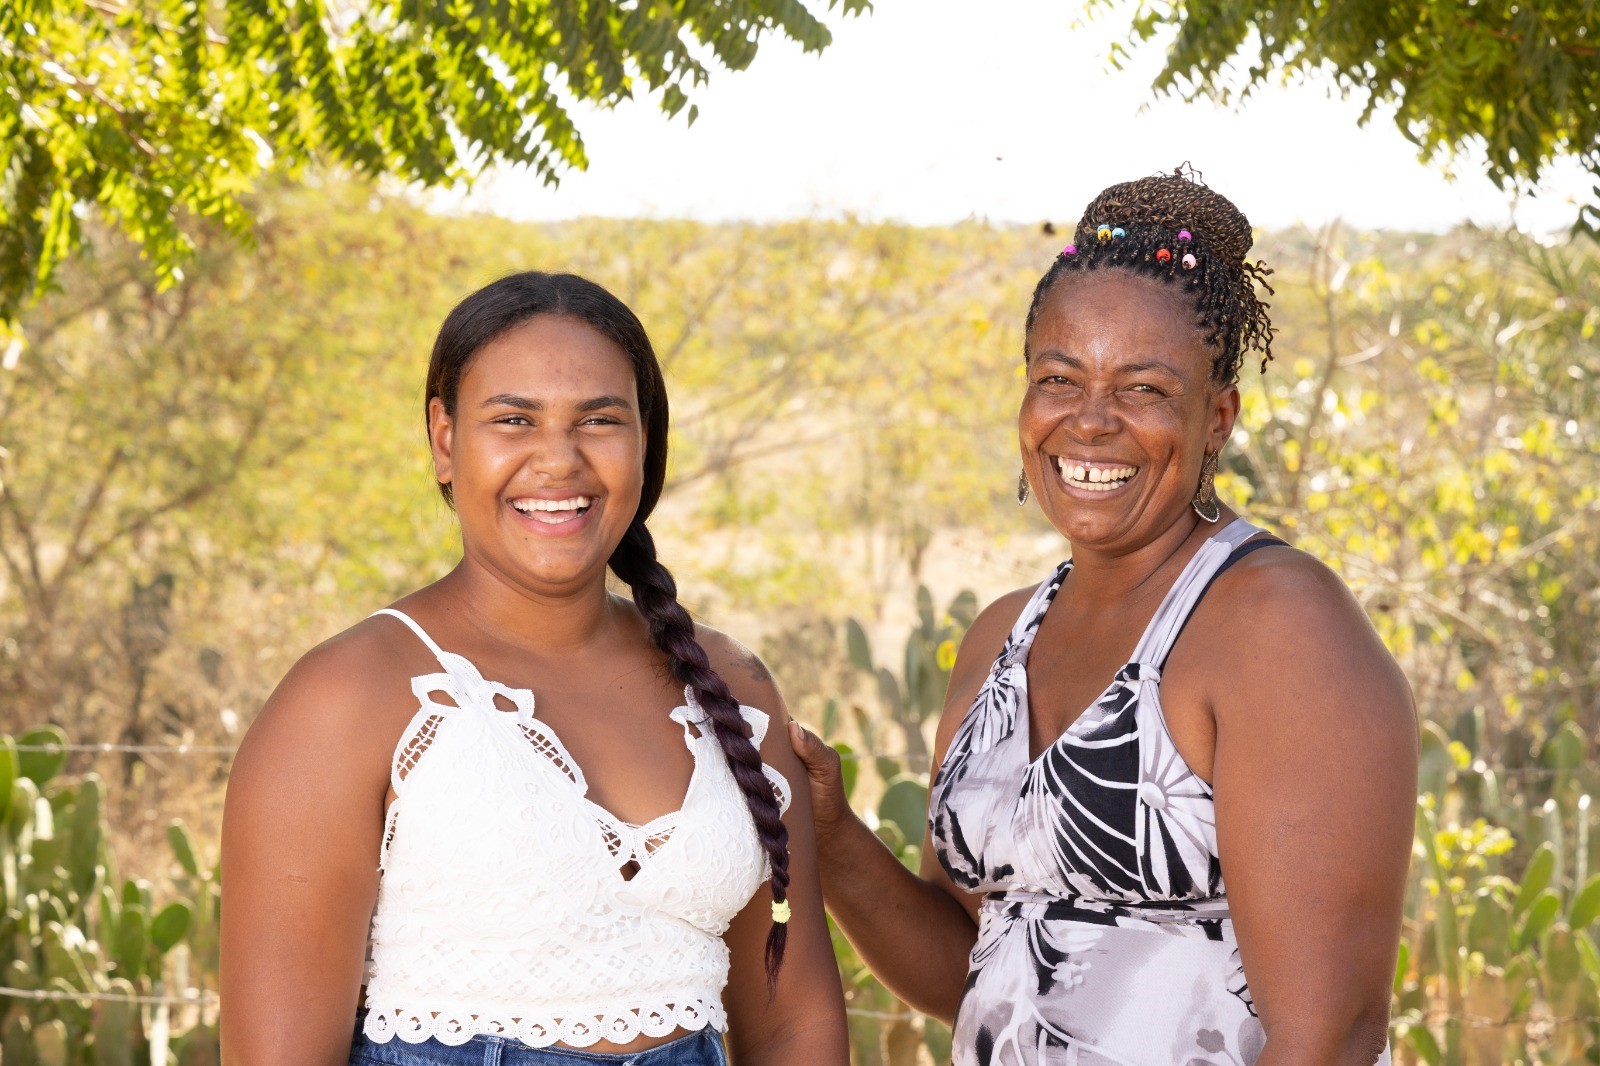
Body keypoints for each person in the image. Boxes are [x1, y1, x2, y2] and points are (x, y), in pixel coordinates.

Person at [789, 170, 1418, 1066]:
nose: (1089, 422)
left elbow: (1330, 1034)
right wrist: (834, 834)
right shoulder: (1000, 638)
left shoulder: (1275, 624)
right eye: (1059, 378)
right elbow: (980, 966)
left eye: (1144, 389)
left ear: (1218, 420)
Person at [221, 272, 848, 1066]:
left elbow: (793, 1022)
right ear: (446, 441)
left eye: (600, 419)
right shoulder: (349, 699)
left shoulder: (731, 688)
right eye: (514, 419)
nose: (559, 460)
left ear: (645, 440)